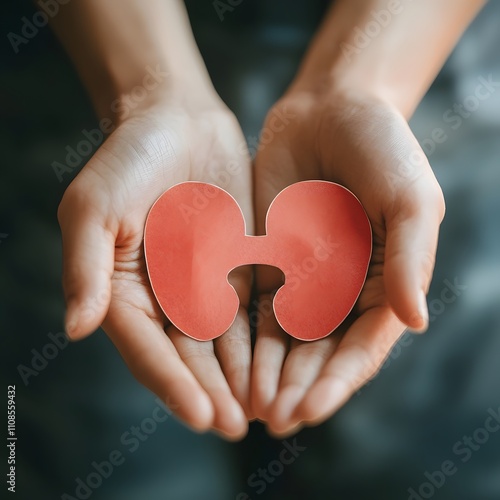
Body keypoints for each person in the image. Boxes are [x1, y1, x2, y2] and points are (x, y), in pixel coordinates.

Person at [52, 0, 484, 442]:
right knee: (116, 447)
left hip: (430, 71)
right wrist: (150, 94)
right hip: (81, 85)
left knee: (400, 443)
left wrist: (360, 90)